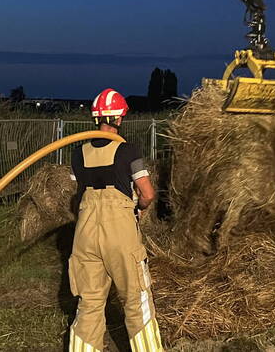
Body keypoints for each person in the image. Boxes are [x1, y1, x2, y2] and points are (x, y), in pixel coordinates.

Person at [67, 88, 163, 352]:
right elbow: (147, 194)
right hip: (119, 232)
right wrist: (139, 208)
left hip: (85, 233)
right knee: (136, 300)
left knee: (89, 303)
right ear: (120, 118)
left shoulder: (78, 153)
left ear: (96, 117)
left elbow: (77, 193)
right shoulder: (127, 151)